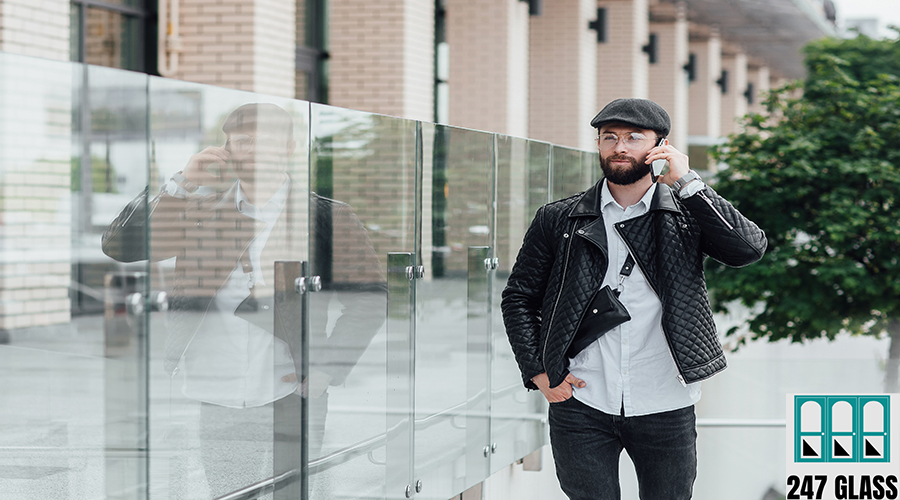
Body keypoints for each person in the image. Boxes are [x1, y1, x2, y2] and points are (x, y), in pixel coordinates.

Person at [102, 103, 384, 497]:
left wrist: (326, 369)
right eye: (243, 141)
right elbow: (121, 247)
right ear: (226, 150)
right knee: (229, 492)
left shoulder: (326, 216)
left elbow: (369, 297)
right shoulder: (197, 210)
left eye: (266, 140)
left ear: (289, 147)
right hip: (216, 385)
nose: (254, 149)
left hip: (293, 386)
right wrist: (182, 183)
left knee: (293, 493)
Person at [501, 98, 767, 499]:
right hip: (581, 399)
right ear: (598, 144)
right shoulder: (559, 218)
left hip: (665, 400)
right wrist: (538, 372)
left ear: (660, 146)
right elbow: (519, 298)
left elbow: (747, 249)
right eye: (609, 137)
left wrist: (688, 181)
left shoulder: (686, 212)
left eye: (633, 138)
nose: (620, 147)